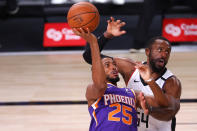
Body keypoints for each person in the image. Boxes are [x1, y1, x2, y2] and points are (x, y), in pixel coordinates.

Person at [82, 17, 182, 131]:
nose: (164, 54)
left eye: (167, 52)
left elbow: (170, 112)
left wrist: (150, 84)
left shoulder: (171, 82)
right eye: (160, 50)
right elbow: (91, 57)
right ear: (148, 52)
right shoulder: (130, 68)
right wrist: (106, 36)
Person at [72, 27, 150, 130]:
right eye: (107, 65)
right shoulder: (93, 90)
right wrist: (94, 42)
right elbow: (100, 85)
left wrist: (150, 82)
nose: (113, 67)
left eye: (114, 64)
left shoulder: (132, 93)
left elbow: (159, 107)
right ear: (97, 69)